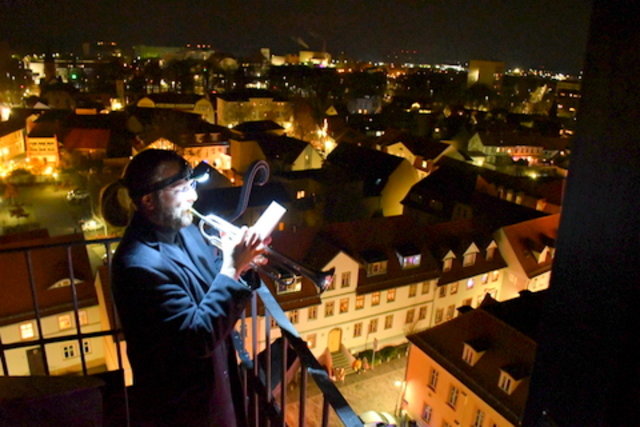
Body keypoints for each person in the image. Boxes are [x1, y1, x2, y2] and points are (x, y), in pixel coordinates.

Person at [109, 149, 266, 427]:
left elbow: (212, 280)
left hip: (216, 388)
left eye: (191, 185)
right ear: (148, 201)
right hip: (183, 411)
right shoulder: (137, 265)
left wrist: (243, 264)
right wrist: (232, 267)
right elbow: (197, 337)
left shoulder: (185, 230)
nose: (193, 196)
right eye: (181, 188)